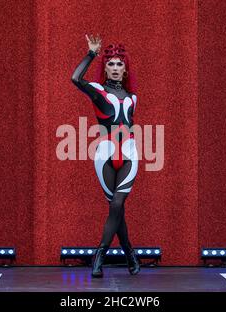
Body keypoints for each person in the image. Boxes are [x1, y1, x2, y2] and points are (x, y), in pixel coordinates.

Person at [71, 34, 141, 278]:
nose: (114, 67)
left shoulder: (133, 98)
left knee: (118, 205)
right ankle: (129, 253)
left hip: (130, 154)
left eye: (119, 63)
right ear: (106, 68)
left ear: (125, 69)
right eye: (110, 63)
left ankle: (99, 254)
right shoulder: (98, 91)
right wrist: (92, 54)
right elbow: (75, 78)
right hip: (105, 155)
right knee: (115, 208)